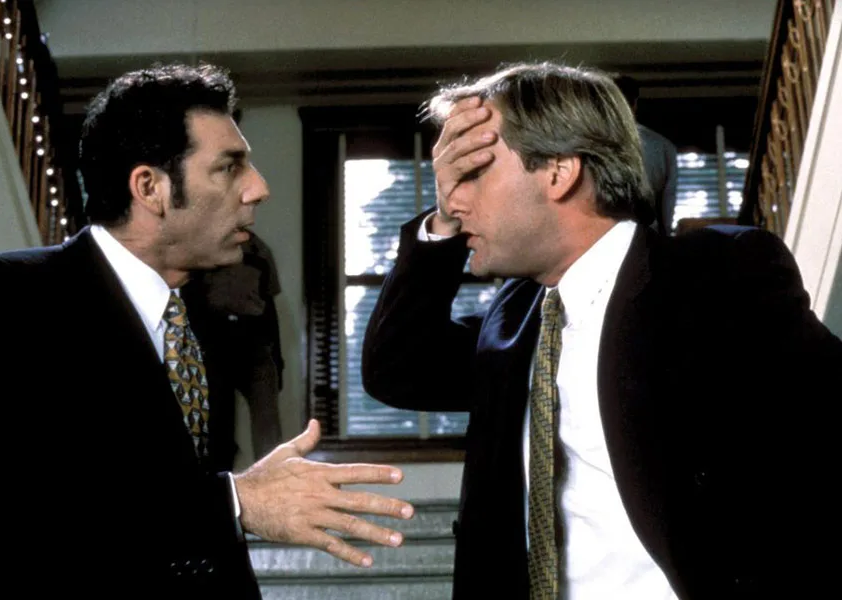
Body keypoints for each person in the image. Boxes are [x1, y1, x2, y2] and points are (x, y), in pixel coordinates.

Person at [361, 60, 842, 599]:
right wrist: (443, 224)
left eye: (473, 173)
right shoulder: (514, 315)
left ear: (559, 172)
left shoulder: (720, 275)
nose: (453, 198)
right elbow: (398, 370)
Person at [0, 63, 413, 594]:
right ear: (151, 188)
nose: (259, 188)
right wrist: (237, 500)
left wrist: (240, 496)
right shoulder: (7, 297)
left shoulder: (200, 320)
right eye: (230, 167)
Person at [181, 229, 285, 460]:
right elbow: (189, 299)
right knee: (218, 421)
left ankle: (273, 471)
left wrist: (277, 358)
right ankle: (218, 472)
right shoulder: (202, 246)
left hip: (254, 342)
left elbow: (269, 306)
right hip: (215, 344)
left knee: (267, 422)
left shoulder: (259, 250)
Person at [615, 74, 678, 235]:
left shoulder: (587, 145)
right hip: (647, 238)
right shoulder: (663, 146)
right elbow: (667, 207)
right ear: (635, 104)